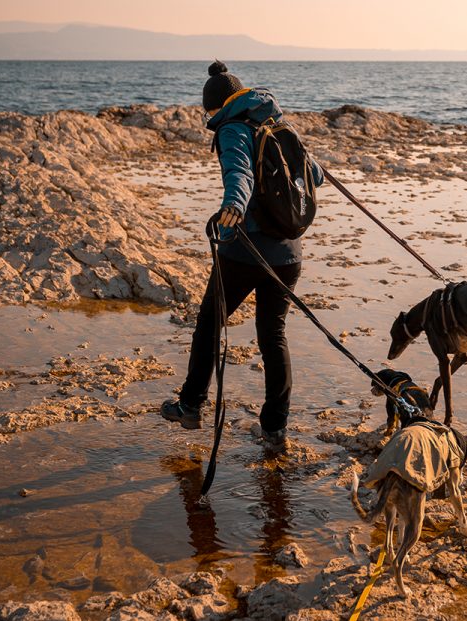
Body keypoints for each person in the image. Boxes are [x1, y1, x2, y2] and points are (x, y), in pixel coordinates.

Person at [161, 61, 324, 447]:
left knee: (209, 323)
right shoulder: (280, 126)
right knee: (274, 336)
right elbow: (314, 175)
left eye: (208, 112)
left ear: (216, 108)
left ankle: (190, 405)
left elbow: (240, 175)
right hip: (288, 257)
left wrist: (233, 206)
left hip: (245, 252)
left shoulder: (233, 129)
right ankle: (274, 428)